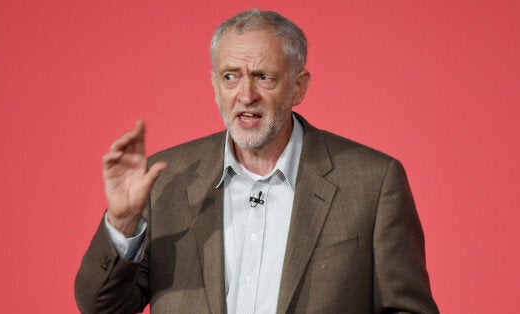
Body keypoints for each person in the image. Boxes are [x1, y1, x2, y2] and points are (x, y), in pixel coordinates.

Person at [75, 9, 438, 314]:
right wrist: (122, 223)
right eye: (231, 77)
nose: (245, 96)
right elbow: (102, 307)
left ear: (298, 86)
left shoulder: (372, 182)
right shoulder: (165, 182)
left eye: (263, 77)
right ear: (215, 85)